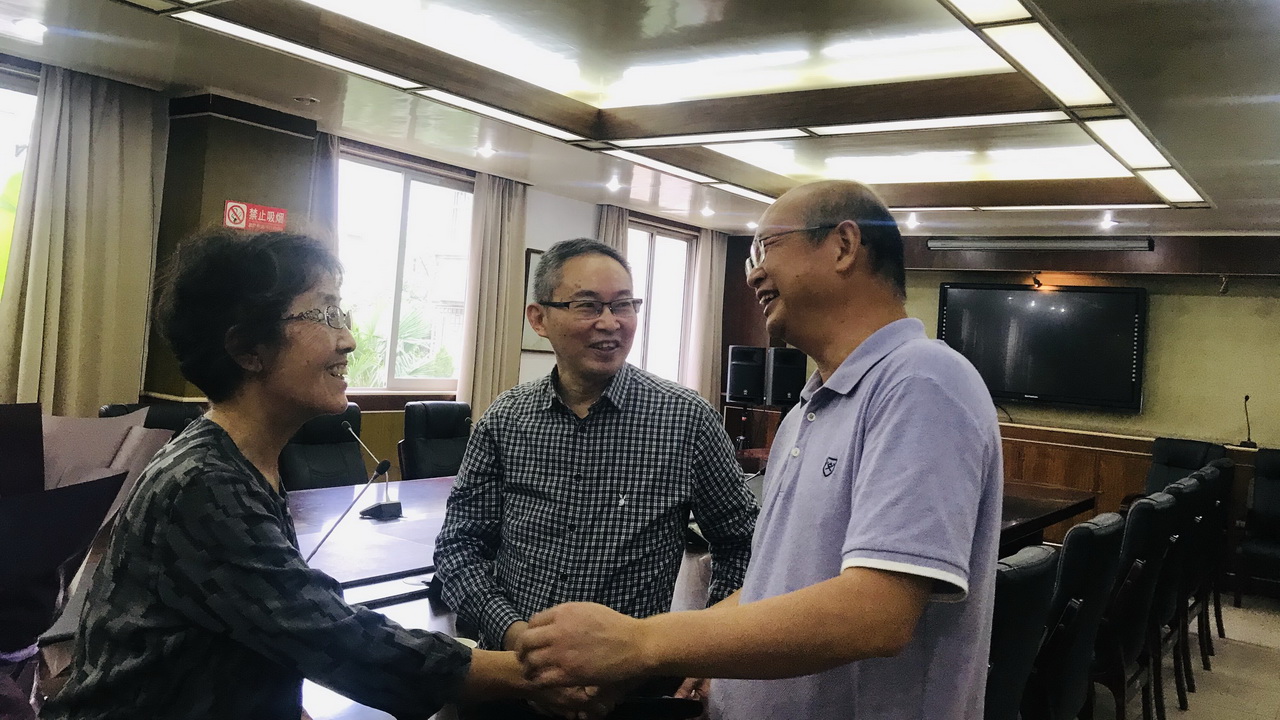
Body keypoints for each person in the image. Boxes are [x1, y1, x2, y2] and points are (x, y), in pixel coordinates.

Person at [42, 230, 592, 720]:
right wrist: (544, 673)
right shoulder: (202, 482)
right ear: (247, 349)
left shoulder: (242, 461)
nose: (347, 339)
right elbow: (337, 640)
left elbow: (256, 634)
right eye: (324, 315)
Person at [516, 181, 1004, 720]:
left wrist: (643, 642)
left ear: (843, 246)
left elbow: (876, 614)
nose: (752, 273)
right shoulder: (806, 411)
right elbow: (767, 586)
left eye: (766, 247)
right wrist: (665, 657)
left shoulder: (922, 381)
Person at [433, 238, 758, 709]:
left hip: (630, 691)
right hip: (511, 682)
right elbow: (459, 547)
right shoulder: (505, 419)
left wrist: (702, 647)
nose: (610, 322)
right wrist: (518, 638)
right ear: (539, 319)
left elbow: (743, 544)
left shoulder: (685, 420)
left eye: (623, 304)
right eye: (587, 305)